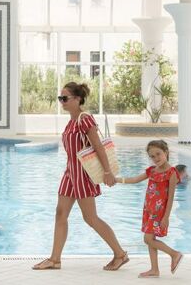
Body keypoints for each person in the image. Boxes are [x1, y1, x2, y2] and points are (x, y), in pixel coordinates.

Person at [33, 82, 128, 271]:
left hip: (83, 175)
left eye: (65, 98)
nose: (62, 102)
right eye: (60, 98)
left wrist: (107, 172)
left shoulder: (85, 119)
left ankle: (120, 254)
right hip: (70, 174)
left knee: (90, 218)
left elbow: (98, 146)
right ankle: (54, 259)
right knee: (60, 214)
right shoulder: (71, 121)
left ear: (77, 99)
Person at [115, 140, 183, 278]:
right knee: (150, 238)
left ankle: (174, 254)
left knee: (147, 239)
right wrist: (116, 180)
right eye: (152, 156)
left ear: (166, 152)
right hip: (149, 210)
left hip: (159, 212)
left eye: (158, 154)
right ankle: (154, 269)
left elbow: (170, 197)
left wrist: (166, 217)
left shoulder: (172, 173)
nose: (156, 158)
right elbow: (134, 179)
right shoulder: (151, 171)